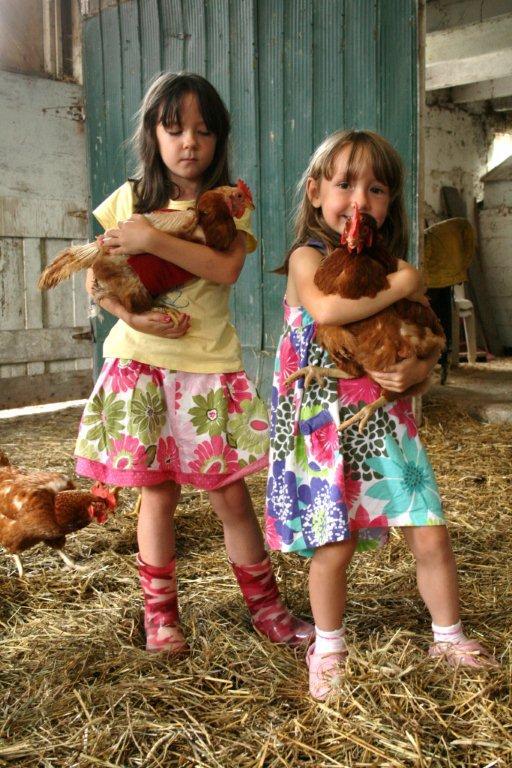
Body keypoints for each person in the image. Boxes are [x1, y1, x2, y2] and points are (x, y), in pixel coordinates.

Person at [75, 72, 312, 654]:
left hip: (207, 367)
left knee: (231, 495)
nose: (189, 143)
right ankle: (160, 616)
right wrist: (131, 317)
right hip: (142, 364)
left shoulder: (227, 204)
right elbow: (96, 283)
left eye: (203, 132)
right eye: (174, 128)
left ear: (220, 138)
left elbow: (226, 269)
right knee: (157, 493)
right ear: (153, 133)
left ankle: (266, 609)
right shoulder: (128, 202)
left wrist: (150, 241)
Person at [265, 129, 497, 700]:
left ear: (389, 202)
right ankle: (328, 645)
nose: (360, 199)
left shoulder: (388, 266)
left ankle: (448, 636)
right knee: (334, 545)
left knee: (430, 535)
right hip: (321, 428)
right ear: (317, 192)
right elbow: (324, 307)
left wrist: (413, 375)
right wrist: (407, 282)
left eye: (376, 188)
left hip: (384, 423)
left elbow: (424, 346)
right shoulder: (307, 257)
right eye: (345, 184)